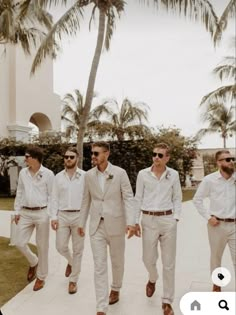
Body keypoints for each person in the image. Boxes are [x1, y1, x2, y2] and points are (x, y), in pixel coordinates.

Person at [78, 141, 136, 315]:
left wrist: (131, 222)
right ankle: (101, 306)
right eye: (92, 153)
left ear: (106, 154)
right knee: (99, 266)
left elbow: (128, 198)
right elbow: (85, 200)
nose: (93, 156)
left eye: (96, 153)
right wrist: (81, 223)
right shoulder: (88, 176)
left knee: (117, 262)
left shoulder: (120, 173)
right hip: (97, 226)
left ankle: (116, 287)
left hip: (117, 224)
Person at [134, 143, 182, 315]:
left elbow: (177, 198)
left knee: (169, 263)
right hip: (148, 220)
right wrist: (134, 221)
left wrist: (175, 218)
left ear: (167, 158)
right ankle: (152, 278)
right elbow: (138, 198)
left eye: (160, 155)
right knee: (148, 258)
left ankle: (167, 301)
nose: (156, 158)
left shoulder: (173, 174)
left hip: (168, 220)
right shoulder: (143, 174)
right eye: (154, 154)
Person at [193, 150, 235, 292]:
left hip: (235, 225)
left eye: (232, 159)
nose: (231, 162)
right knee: (216, 257)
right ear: (219, 162)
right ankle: (217, 284)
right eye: (227, 159)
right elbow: (197, 199)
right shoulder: (209, 180)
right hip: (217, 226)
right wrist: (208, 217)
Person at [14, 146, 54, 291]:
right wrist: (17, 211)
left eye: (27, 156)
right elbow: (19, 191)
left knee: (42, 246)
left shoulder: (48, 174)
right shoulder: (23, 173)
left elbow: (52, 196)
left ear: (36, 158)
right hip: (25, 213)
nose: (25, 158)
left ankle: (41, 277)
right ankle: (33, 261)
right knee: (19, 242)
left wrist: (48, 214)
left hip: (41, 213)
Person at [50, 147, 86, 294]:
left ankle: (73, 280)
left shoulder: (85, 176)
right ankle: (71, 262)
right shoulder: (58, 177)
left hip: (79, 216)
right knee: (60, 246)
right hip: (63, 216)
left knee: (78, 250)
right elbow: (54, 198)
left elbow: (87, 199)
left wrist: (84, 219)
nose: (68, 159)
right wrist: (54, 217)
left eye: (71, 157)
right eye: (66, 157)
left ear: (77, 159)